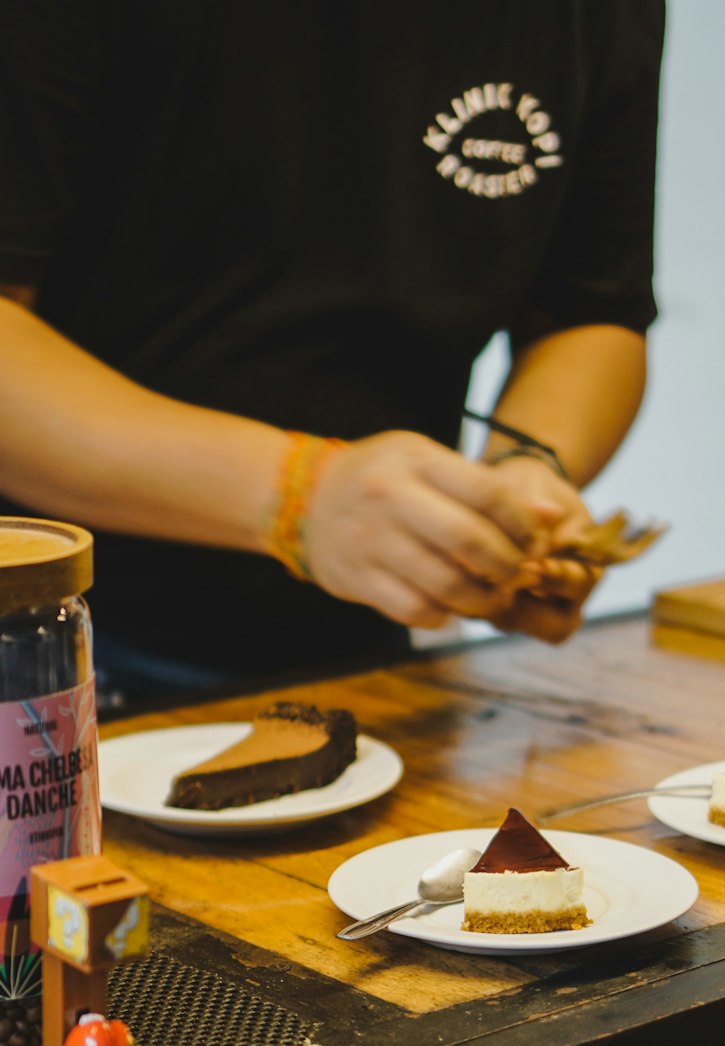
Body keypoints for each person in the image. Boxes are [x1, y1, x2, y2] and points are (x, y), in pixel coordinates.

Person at [0, 1, 666, 698]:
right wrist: (299, 497)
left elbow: (590, 313)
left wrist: (525, 475)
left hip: (369, 650)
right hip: (50, 640)